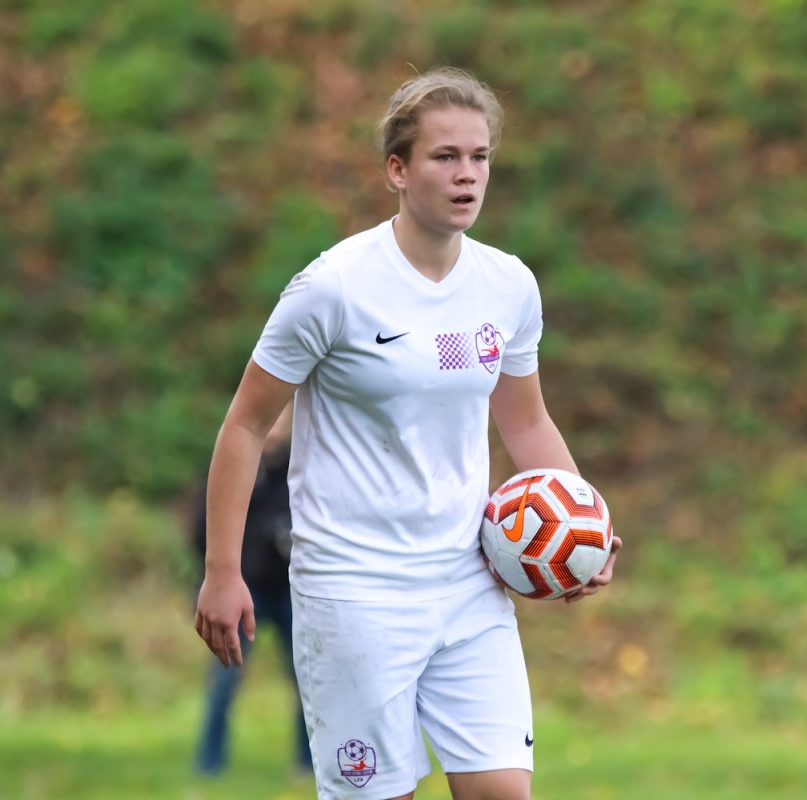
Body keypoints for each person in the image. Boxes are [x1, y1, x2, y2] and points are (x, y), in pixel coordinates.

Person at [194, 67, 623, 800]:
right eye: (445, 156)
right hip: (353, 589)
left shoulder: (507, 286)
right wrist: (222, 570)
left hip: (468, 578)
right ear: (398, 170)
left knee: (502, 793)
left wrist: (585, 528)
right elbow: (245, 424)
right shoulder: (333, 288)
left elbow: (525, 421)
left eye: (479, 157)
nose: (467, 175)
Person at [189, 405, 312, 777]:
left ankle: (308, 762)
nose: (273, 425)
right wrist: (218, 578)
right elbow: (201, 528)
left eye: (281, 416)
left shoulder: (303, 466)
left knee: (308, 678)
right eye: (269, 416)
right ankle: (209, 762)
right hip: (245, 589)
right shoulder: (233, 463)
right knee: (224, 678)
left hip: (292, 590)